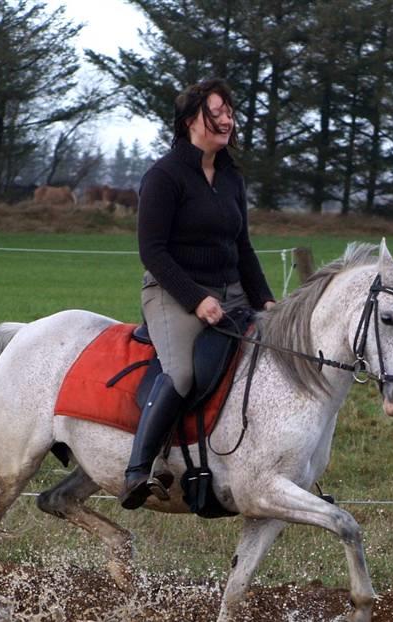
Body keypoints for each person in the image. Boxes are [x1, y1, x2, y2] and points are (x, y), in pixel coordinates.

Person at [119, 78, 276, 510]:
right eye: (217, 113)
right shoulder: (164, 176)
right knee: (183, 375)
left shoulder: (231, 178)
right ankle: (137, 470)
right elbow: (152, 251)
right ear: (191, 121)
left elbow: (242, 247)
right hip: (172, 292)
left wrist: (266, 301)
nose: (228, 120)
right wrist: (196, 299)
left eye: (230, 112)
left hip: (231, 293)